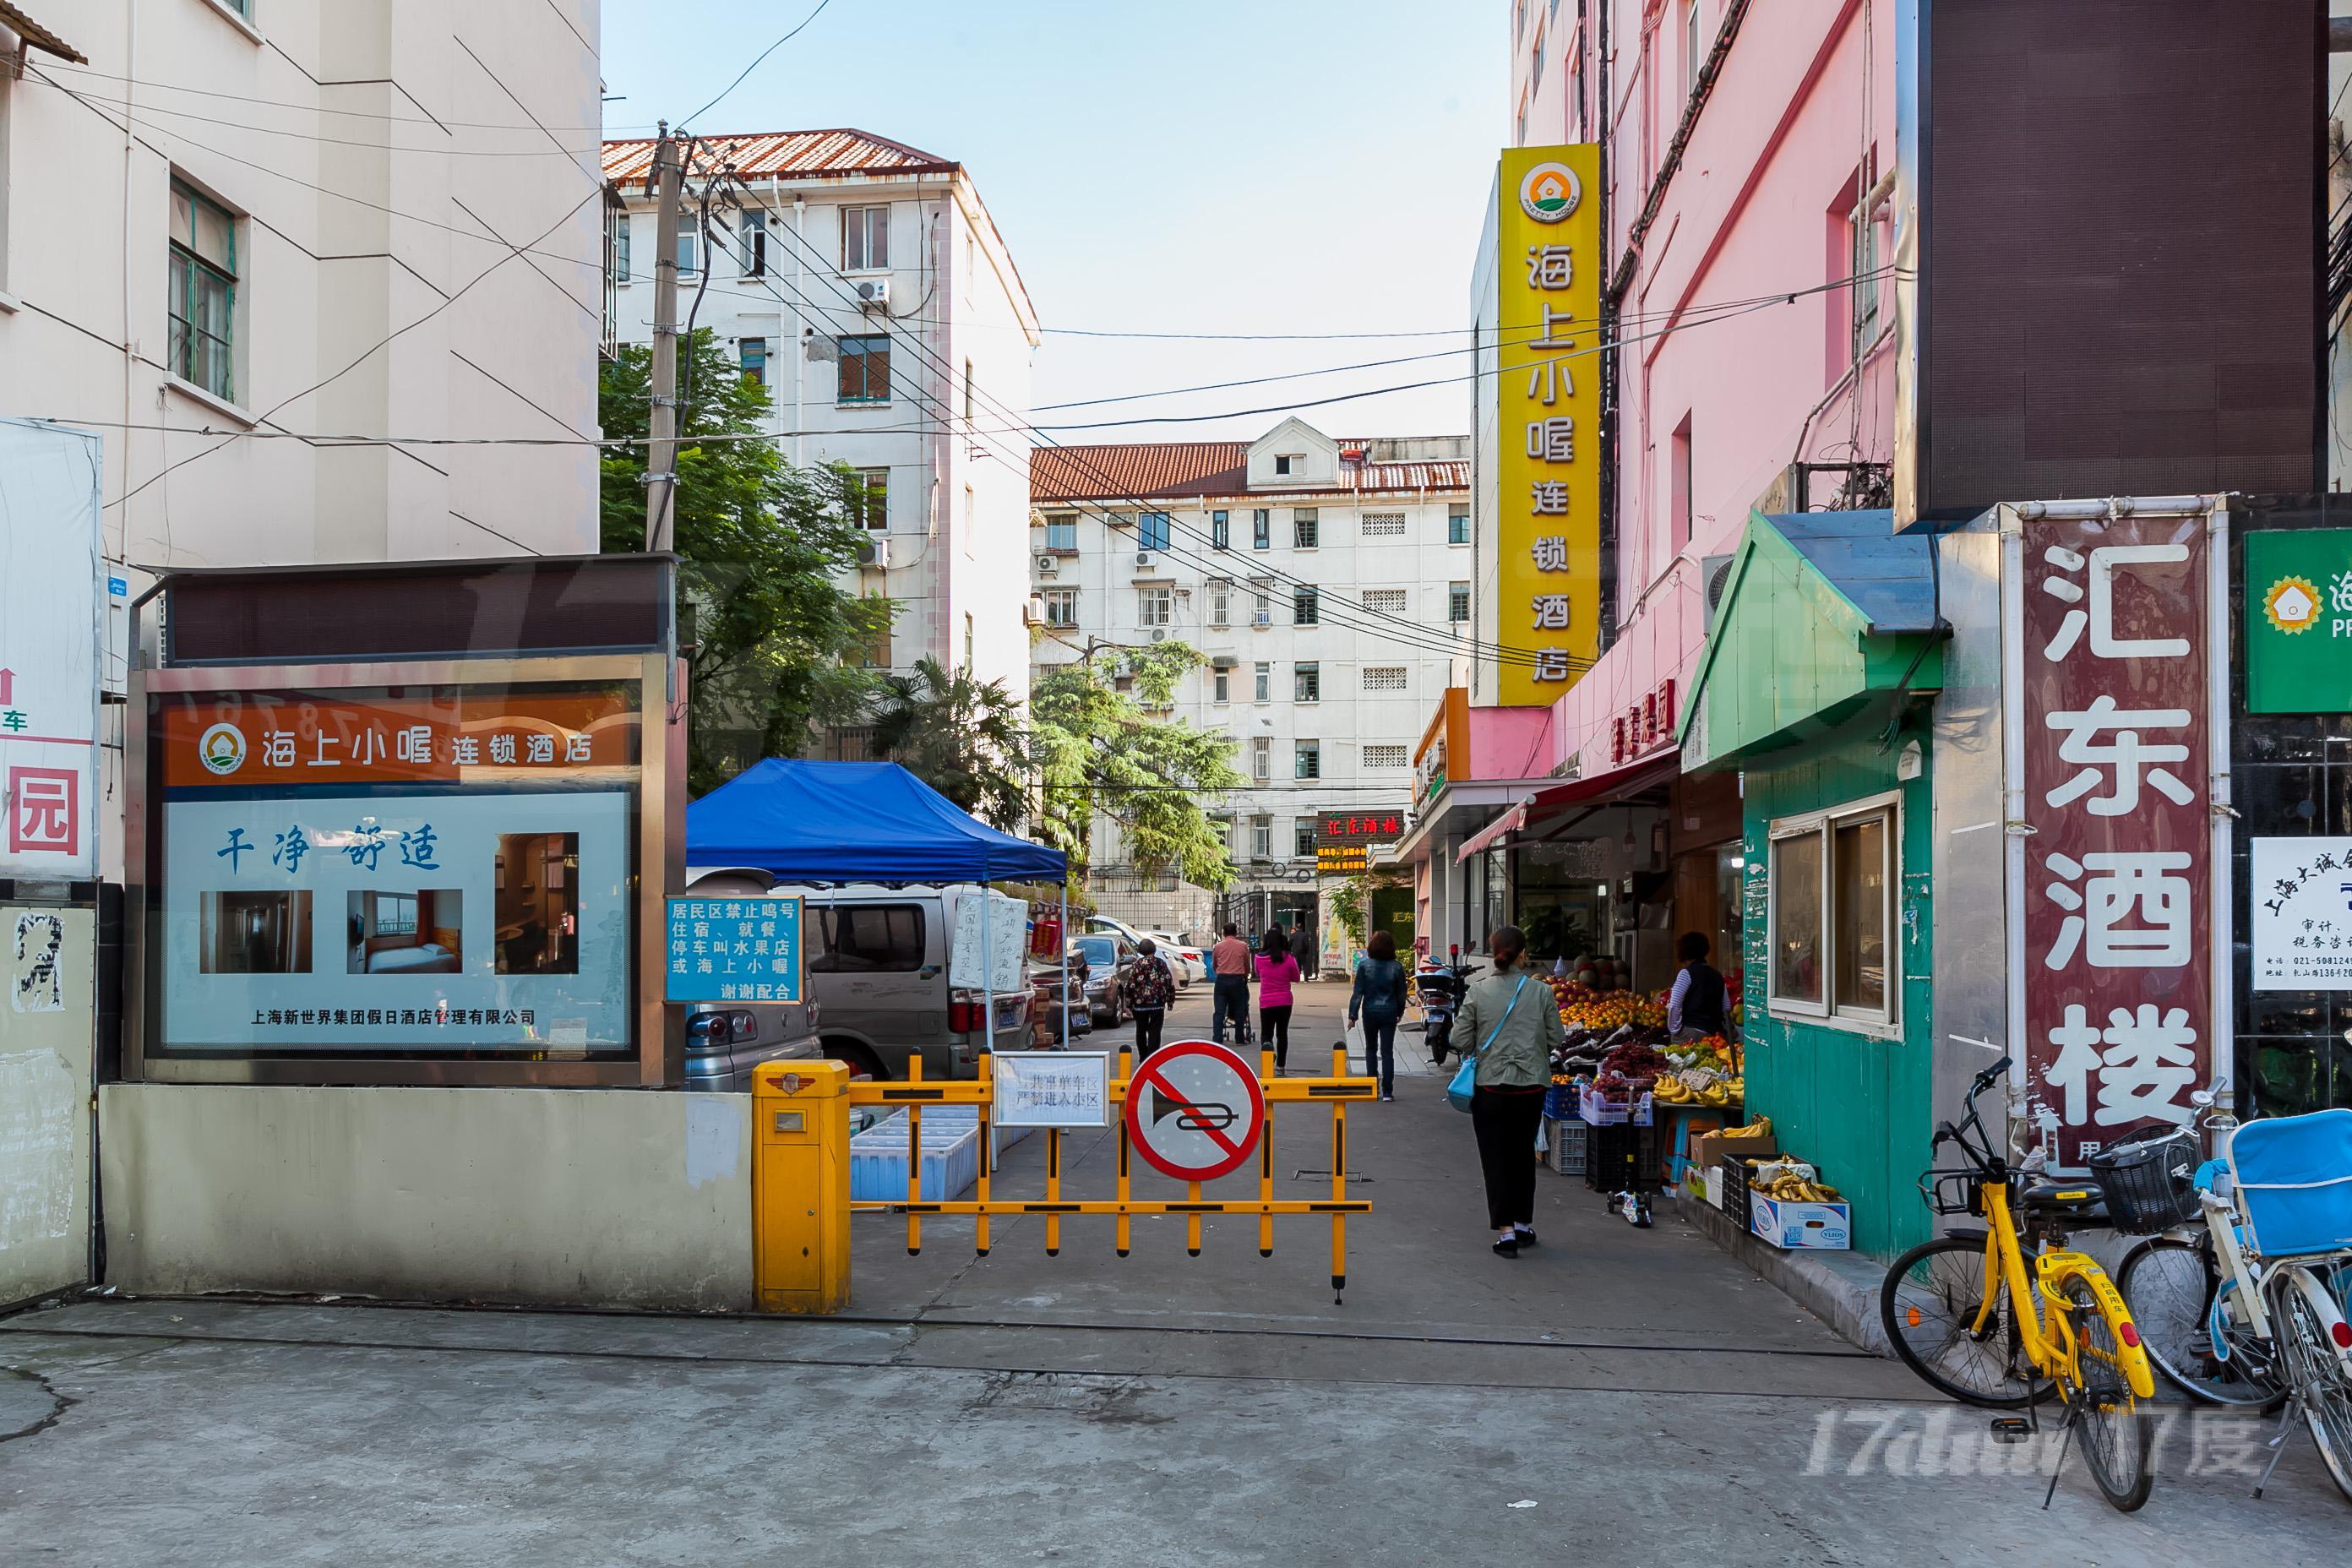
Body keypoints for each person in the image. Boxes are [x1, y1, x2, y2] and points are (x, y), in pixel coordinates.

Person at [1452, 924, 1565, 1257]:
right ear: (1522, 955)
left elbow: (1458, 1039)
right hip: (1530, 1087)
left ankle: (1505, 1233)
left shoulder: (1479, 991)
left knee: (1495, 1158)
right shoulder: (1541, 992)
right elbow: (1557, 1037)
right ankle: (1522, 1223)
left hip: (1490, 1087)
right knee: (1522, 1156)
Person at [1348, 928, 1411, 1101]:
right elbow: (1401, 994)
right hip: (1389, 1012)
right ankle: (1388, 1092)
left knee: (1370, 1049)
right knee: (1387, 1052)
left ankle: (1372, 1087)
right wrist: (1400, 1011)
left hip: (1370, 1011)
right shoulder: (1397, 967)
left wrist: (1352, 1015)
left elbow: (1358, 992)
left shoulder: (1364, 966)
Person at [1668, 931, 1734, 1043]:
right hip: (1715, 1034)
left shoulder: (1686, 974)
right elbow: (1726, 1006)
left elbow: (1675, 1004)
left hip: (1692, 1032)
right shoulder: (1717, 974)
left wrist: (1675, 1030)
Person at [1255, 927, 1302, 1071]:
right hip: (1285, 1001)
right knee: (1282, 1034)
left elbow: (1257, 973)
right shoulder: (1288, 958)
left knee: (1266, 1033)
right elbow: (1296, 978)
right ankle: (1281, 1065)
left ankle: (1268, 1060)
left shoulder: (1259, 958)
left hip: (1266, 1002)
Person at [1126, 937, 1177, 1061]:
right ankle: (1152, 1058)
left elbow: (1130, 985)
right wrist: (1170, 1000)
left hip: (1140, 1004)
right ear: (1154, 949)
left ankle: (1143, 1058)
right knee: (1155, 1031)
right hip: (1157, 1003)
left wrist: (1128, 1004)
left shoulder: (1136, 965)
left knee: (1141, 1030)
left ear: (1140, 951)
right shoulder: (1160, 964)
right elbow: (1169, 982)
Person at [1208, 923, 1252, 1046]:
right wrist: (1245, 975)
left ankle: (1217, 1039)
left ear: (1224, 933)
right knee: (1239, 1010)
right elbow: (1247, 965)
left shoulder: (1218, 947)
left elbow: (1215, 965)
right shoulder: (1243, 946)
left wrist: (1220, 972)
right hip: (1237, 980)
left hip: (1222, 980)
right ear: (1236, 933)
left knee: (1219, 1012)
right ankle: (1239, 1038)